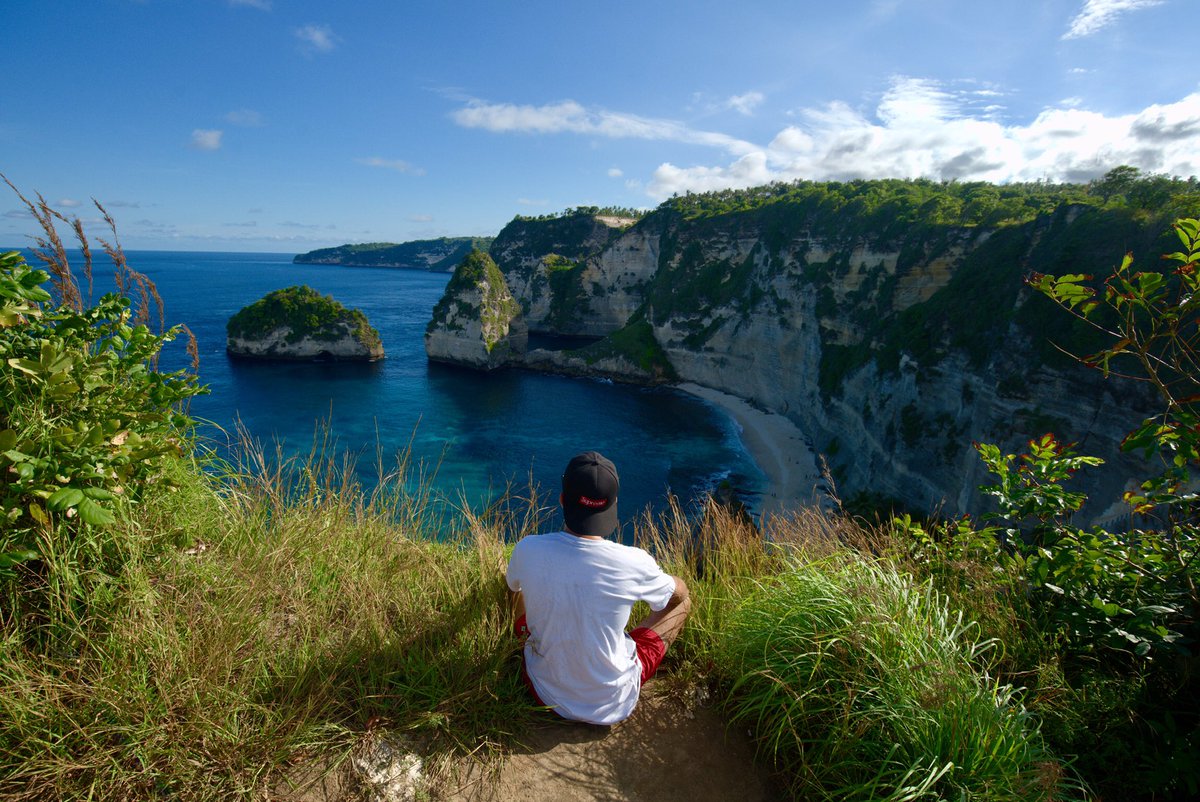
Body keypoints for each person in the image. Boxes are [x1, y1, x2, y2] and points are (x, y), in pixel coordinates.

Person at [506, 451, 692, 725]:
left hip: (544, 693)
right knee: (683, 603)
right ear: (613, 505)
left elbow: (512, 589)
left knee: (514, 587)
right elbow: (678, 595)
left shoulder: (528, 548)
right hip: (614, 701)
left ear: (561, 499)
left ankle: (526, 643)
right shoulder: (635, 561)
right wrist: (672, 583)